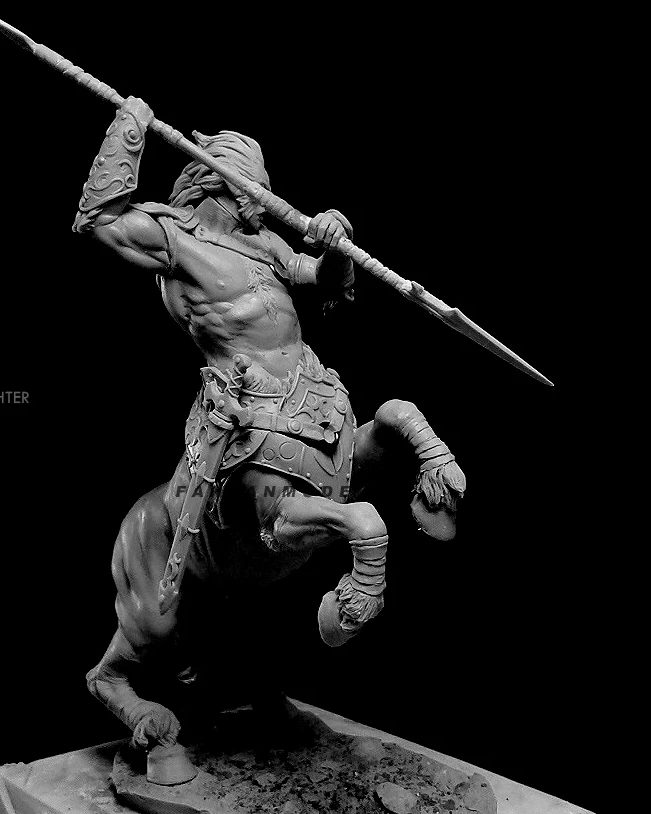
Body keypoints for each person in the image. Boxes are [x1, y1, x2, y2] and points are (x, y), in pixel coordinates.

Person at [74, 97, 465, 769]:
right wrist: (129, 125)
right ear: (223, 184)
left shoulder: (263, 246)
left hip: (312, 400)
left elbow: (323, 281)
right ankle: (119, 689)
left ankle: (433, 464)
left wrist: (335, 240)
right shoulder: (176, 241)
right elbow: (100, 220)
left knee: (393, 415)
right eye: (252, 185)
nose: (262, 200)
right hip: (246, 417)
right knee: (160, 622)